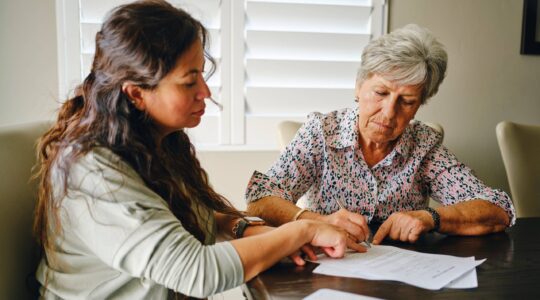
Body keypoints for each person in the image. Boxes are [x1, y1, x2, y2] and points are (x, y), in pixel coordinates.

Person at [33, 1, 363, 298]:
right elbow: (197, 272)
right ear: (136, 94)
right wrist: (301, 229)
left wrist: (246, 227)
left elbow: (194, 216)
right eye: (189, 82)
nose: (205, 92)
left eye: (202, 76)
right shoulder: (94, 171)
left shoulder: (155, 142)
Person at [245, 24, 515, 246]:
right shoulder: (322, 133)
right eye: (381, 93)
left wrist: (430, 216)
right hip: (328, 267)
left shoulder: (425, 146)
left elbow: (497, 209)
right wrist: (316, 220)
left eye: (406, 101)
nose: (388, 113)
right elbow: (260, 199)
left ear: (419, 105)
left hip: (402, 277)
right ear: (359, 86)